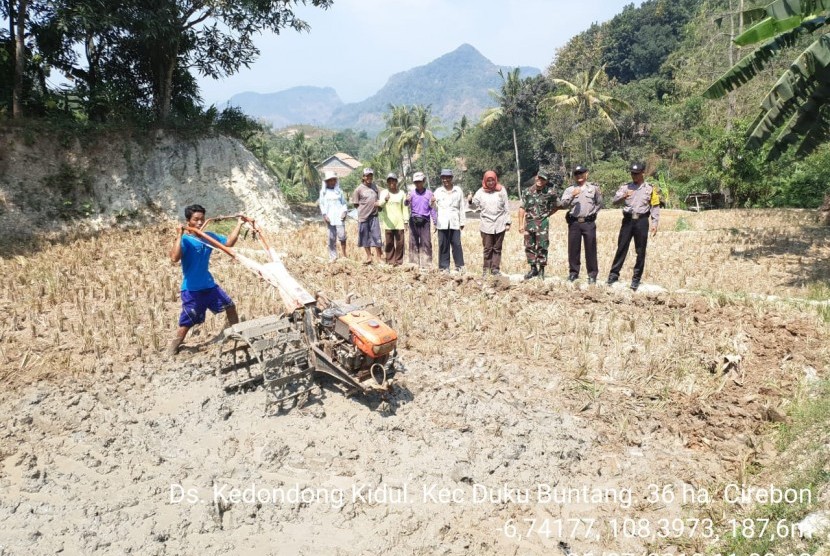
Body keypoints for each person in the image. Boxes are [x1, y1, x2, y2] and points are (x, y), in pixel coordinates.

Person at [168, 204, 243, 355]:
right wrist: (179, 235)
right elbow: (174, 258)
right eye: (196, 220)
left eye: (202, 219)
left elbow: (228, 243)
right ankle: (173, 348)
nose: (200, 223)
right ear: (188, 221)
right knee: (188, 320)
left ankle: (237, 335)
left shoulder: (208, 237)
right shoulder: (186, 240)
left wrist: (239, 224)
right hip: (192, 290)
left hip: (209, 286)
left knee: (230, 306)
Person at [607, 162, 661, 291]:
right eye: (632, 173)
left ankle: (636, 279)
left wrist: (654, 223)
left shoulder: (650, 189)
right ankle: (613, 275)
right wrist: (624, 195)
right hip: (628, 220)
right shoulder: (625, 187)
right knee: (621, 248)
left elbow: (655, 206)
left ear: (642, 173)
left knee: (640, 251)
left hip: (642, 221)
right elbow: (614, 201)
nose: (634, 176)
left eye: (636, 174)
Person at [560, 165, 602, 283]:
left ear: (586, 174)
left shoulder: (593, 188)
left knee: (591, 249)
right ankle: (573, 273)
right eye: (576, 174)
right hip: (574, 222)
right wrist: (572, 195)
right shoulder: (569, 190)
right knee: (573, 249)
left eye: (581, 173)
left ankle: (592, 275)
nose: (579, 176)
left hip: (588, 222)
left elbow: (599, 203)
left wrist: (593, 214)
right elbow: (563, 204)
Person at [468, 170, 511, 276]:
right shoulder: (480, 192)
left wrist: (508, 222)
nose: (491, 183)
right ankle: (486, 270)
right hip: (486, 224)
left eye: (492, 180)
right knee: (487, 248)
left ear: (495, 180)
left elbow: (506, 207)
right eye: (488, 180)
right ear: (485, 181)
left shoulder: (501, 190)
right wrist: (470, 200)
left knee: (497, 248)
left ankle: (495, 269)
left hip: (500, 223)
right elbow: (474, 206)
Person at [518, 171, 559, 279]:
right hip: (529, 223)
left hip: (542, 224)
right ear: (536, 178)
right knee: (529, 246)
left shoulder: (550, 192)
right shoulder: (527, 192)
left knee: (542, 246)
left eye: (543, 179)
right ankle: (533, 269)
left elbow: (557, 205)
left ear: (546, 181)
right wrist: (520, 224)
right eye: (539, 178)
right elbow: (522, 208)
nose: (540, 181)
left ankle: (541, 270)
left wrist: (548, 214)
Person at [432, 168, 466, 272]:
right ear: (441, 179)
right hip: (442, 222)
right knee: (443, 244)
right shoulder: (438, 191)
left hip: (454, 221)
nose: (445, 180)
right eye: (443, 178)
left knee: (456, 244)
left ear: (451, 178)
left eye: (447, 177)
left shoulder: (458, 190)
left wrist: (462, 221)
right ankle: (444, 267)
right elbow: (434, 208)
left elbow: (461, 207)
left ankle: (459, 266)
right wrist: (432, 203)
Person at [350, 168, 383, 264]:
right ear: (363, 177)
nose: (369, 177)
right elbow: (356, 204)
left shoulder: (375, 187)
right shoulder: (358, 189)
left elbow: (379, 199)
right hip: (363, 217)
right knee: (365, 237)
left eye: (370, 175)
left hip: (374, 216)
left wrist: (378, 206)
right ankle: (369, 257)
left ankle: (379, 257)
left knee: (377, 236)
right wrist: (364, 209)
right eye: (367, 176)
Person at [405, 171, 436, 268]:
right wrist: (407, 200)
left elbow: (432, 208)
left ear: (424, 181)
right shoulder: (412, 193)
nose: (418, 184)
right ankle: (414, 264)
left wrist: (435, 221)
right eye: (416, 182)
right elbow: (406, 204)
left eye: (420, 181)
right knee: (413, 242)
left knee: (426, 242)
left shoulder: (429, 194)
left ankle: (426, 264)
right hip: (414, 220)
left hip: (425, 221)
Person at [378, 172, 409, 266]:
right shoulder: (384, 193)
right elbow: (380, 206)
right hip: (388, 223)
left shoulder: (402, 193)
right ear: (387, 183)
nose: (392, 183)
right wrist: (385, 200)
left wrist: (406, 221)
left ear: (396, 182)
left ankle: (399, 262)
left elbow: (405, 208)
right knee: (389, 243)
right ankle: (390, 261)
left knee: (400, 244)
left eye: (393, 181)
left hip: (399, 223)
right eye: (389, 181)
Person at [318, 170, 348, 262]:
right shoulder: (323, 192)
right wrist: (324, 215)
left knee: (342, 236)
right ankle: (333, 256)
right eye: (330, 180)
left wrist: (344, 212)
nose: (332, 182)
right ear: (326, 182)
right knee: (331, 237)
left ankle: (344, 255)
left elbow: (343, 203)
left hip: (339, 217)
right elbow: (322, 204)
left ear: (336, 181)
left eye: (333, 180)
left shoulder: (339, 192)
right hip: (330, 217)